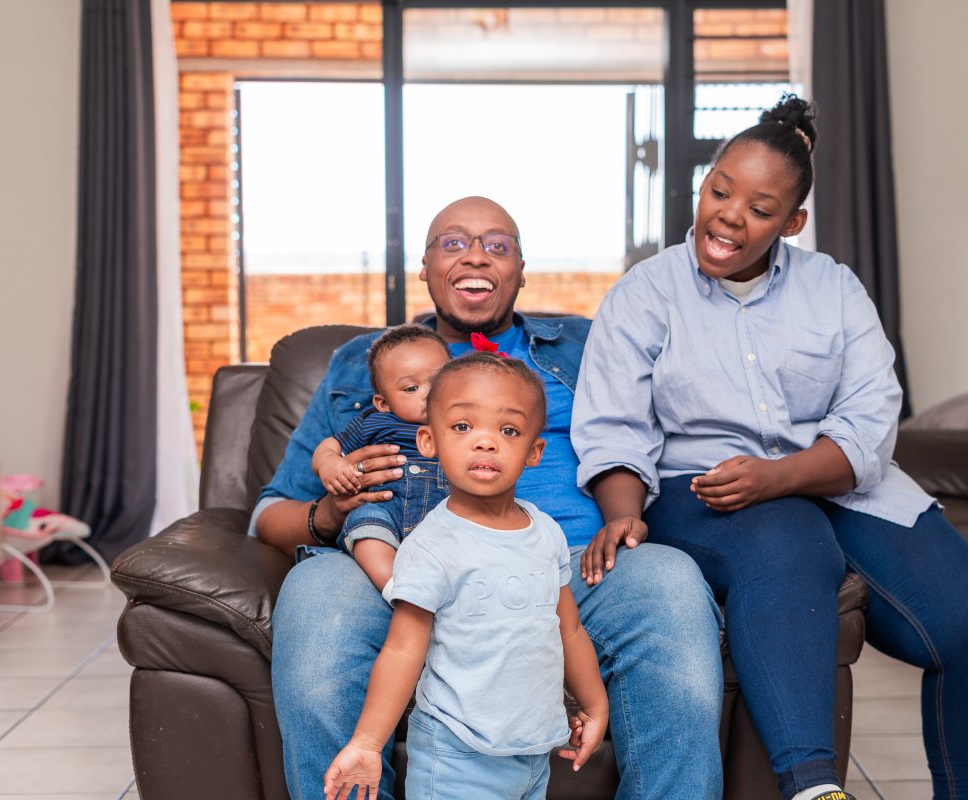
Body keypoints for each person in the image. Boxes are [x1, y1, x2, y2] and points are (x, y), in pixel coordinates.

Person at [572, 95, 968, 800]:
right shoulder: (645, 294)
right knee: (789, 539)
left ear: (792, 222)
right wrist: (623, 511)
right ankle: (813, 786)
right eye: (720, 190)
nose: (728, 215)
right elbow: (613, 427)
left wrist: (782, 475)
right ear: (704, 184)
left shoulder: (834, 288)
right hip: (705, 489)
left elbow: (872, 413)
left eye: (759, 207)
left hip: (844, 482)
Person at [253, 196, 725, 800]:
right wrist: (331, 512)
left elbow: (658, 429)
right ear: (423, 268)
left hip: (566, 571)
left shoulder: (583, 346)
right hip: (398, 578)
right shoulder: (364, 362)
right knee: (317, 591)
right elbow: (270, 513)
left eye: (496, 245)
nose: (475, 254)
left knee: (668, 579)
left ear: (522, 270)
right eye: (453, 243)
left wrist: (626, 515)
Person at [323, 353, 608, 800]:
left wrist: (594, 706)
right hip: (457, 757)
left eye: (508, 430)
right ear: (428, 441)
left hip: (532, 751)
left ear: (534, 452)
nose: (485, 442)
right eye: (462, 427)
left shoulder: (546, 532)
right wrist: (368, 743)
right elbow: (402, 650)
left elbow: (568, 629)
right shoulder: (433, 545)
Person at [312, 324, 450, 600]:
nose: (428, 393)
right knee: (366, 530)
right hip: (387, 508)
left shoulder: (461, 423)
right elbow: (329, 446)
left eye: (439, 382)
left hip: (446, 517)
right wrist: (329, 463)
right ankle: (397, 590)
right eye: (411, 388)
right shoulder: (374, 422)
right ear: (383, 403)